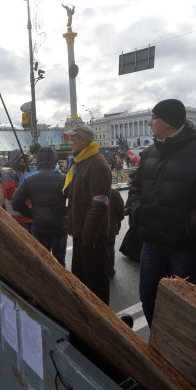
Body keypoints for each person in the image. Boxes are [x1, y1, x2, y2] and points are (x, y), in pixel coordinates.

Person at [127, 99, 196, 327]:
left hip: (185, 246)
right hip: (152, 244)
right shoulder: (150, 152)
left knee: (183, 307)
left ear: (168, 122)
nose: (149, 123)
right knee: (149, 300)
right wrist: (137, 212)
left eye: (154, 118)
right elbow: (135, 187)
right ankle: (157, 349)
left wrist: (188, 225)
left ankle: (178, 353)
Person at [63, 124, 112, 304]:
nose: (71, 144)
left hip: (91, 237)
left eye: (73, 140)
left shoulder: (96, 163)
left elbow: (99, 204)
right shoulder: (81, 161)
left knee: (96, 284)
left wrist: (88, 238)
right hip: (81, 234)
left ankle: (102, 323)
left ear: (84, 141)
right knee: (81, 282)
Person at [11, 146, 68, 266]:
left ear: (38, 160)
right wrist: (66, 212)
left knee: (42, 263)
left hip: (39, 226)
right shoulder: (63, 178)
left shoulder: (29, 180)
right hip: (60, 226)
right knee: (59, 262)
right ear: (54, 160)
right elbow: (76, 200)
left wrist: (31, 213)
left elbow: (16, 202)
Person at [1, 149, 33, 233]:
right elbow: (9, 193)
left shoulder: (27, 173)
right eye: (21, 158)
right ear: (15, 159)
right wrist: (28, 189)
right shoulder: (8, 174)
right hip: (17, 219)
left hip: (31, 218)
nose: (24, 160)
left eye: (25, 158)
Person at [106, 188, 125, 278]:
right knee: (109, 248)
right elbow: (121, 211)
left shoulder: (93, 190)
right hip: (111, 228)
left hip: (96, 227)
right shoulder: (114, 193)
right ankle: (110, 270)